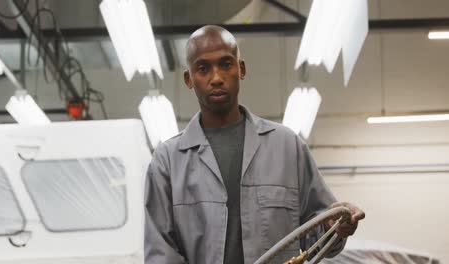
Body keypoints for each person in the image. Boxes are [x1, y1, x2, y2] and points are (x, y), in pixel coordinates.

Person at [144, 25, 365, 264]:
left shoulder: (287, 148)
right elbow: (160, 254)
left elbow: (318, 236)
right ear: (189, 79)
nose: (216, 78)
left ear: (241, 69)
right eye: (203, 68)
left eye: (226, 64)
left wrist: (336, 227)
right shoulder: (168, 161)